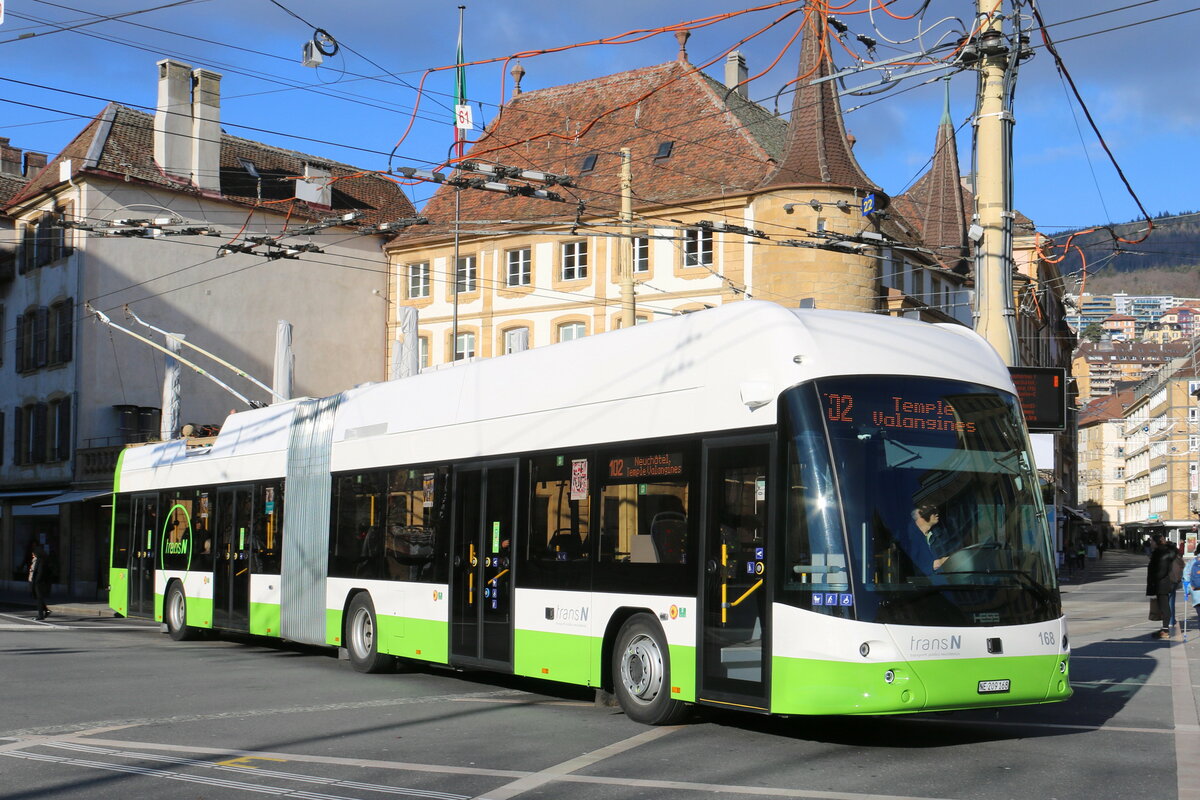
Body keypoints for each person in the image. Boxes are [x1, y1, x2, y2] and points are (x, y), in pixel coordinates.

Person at [1146, 533, 1180, 639]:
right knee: (1163, 606)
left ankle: (1165, 631)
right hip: (1164, 583)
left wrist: (1155, 579)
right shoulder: (1162, 551)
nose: (1150, 543)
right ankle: (1165, 629)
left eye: (1152, 541)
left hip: (1162, 583)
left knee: (1164, 607)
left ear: (1156, 542)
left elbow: (1162, 570)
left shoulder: (1161, 553)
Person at [910, 504, 954, 573]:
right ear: (919, 517)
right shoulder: (911, 542)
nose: (937, 512)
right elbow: (912, 571)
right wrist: (935, 565)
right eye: (931, 510)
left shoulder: (940, 533)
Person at [28, 545, 52, 620]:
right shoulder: (37, 560)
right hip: (36, 582)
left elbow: (40, 572)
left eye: (33, 553)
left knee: (39, 598)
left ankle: (40, 616)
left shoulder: (40, 560)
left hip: (39, 583)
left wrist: (36, 581)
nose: (32, 554)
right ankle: (46, 611)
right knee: (38, 598)